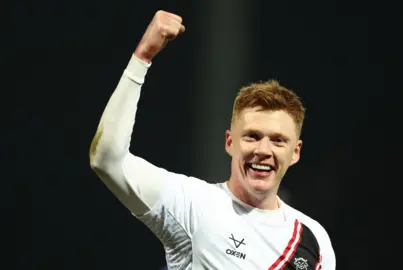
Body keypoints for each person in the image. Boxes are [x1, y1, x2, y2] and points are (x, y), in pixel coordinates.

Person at [89, 10, 336, 270]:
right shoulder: (194, 204)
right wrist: (142, 57)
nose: (263, 150)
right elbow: (107, 160)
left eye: (278, 141)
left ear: (295, 152)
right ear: (229, 142)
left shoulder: (314, 240)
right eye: (252, 137)